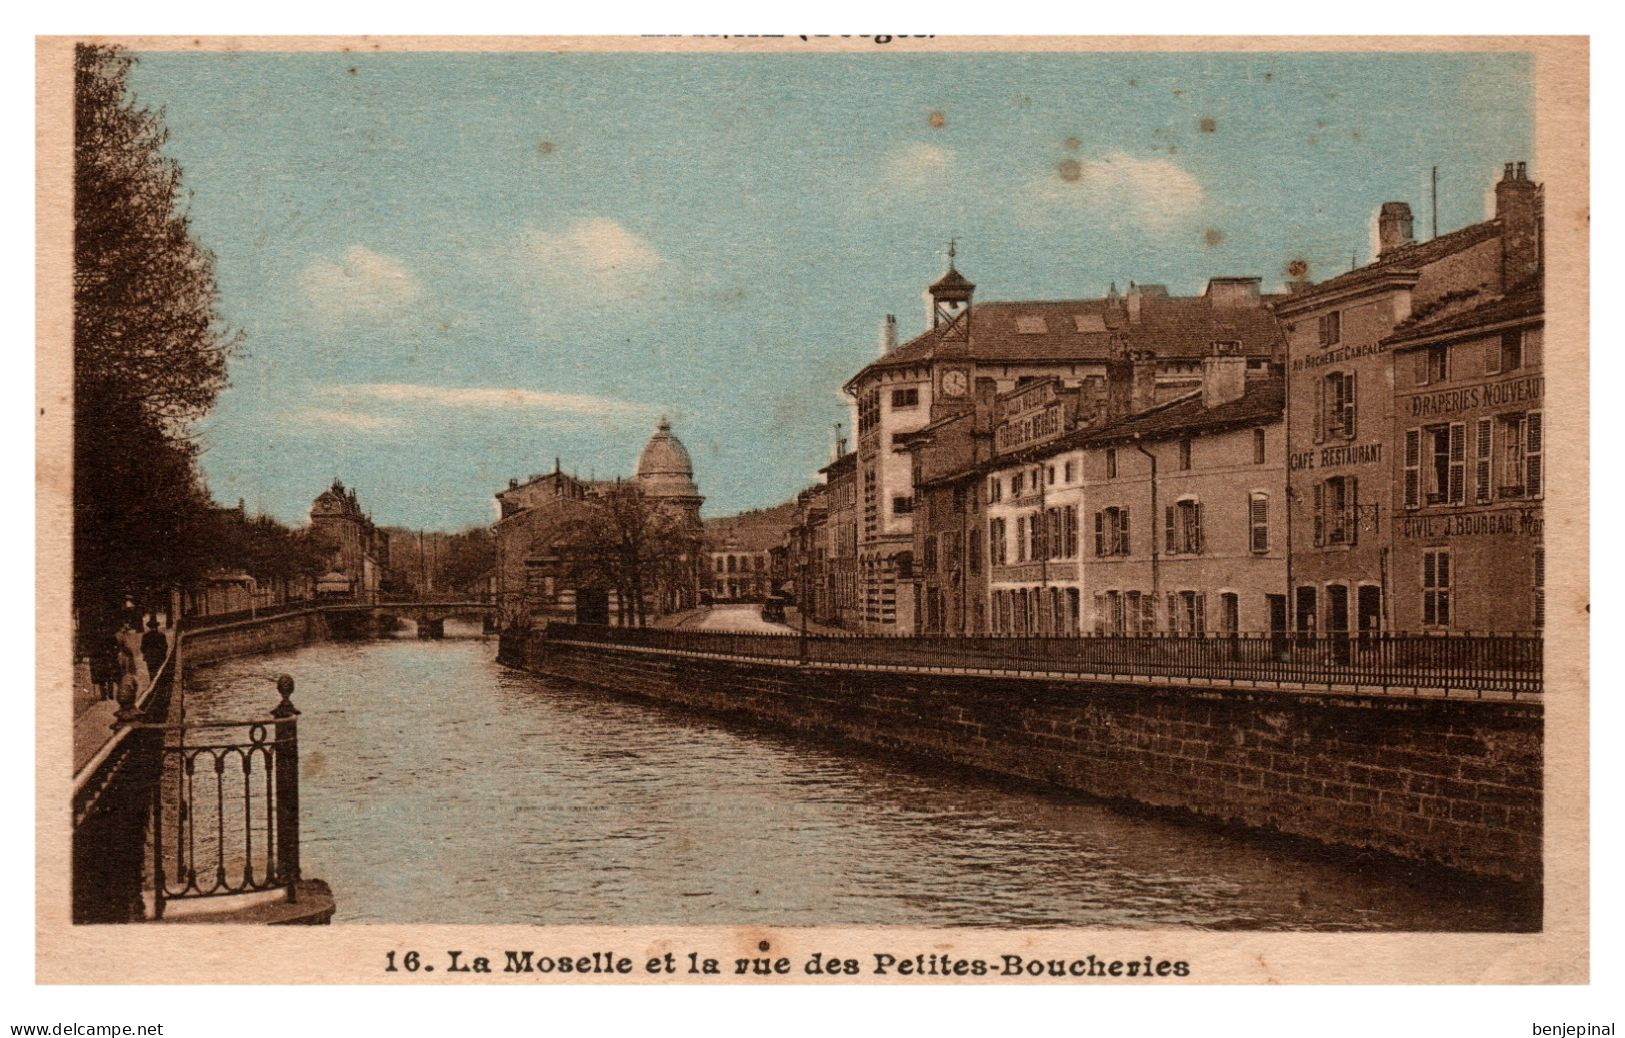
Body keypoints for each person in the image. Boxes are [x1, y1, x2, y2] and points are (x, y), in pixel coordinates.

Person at [140, 618, 169, 688]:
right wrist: (162, 653)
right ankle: (160, 686)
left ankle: (153, 687)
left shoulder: (145, 636)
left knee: (151, 673)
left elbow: (142, 648)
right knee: (159, 672)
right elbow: (165, 646)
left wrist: (146, 653)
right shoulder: (161, 635)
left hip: (149, 657)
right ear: (156, 627)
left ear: (149, 627)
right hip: (159, 656)